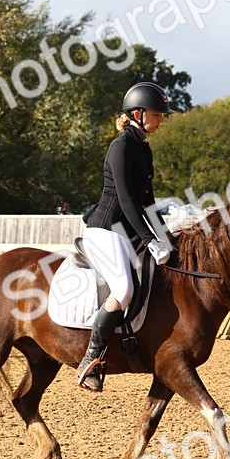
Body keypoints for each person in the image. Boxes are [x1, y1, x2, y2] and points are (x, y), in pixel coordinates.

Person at [76, 81, 171, 391]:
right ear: (138, 113)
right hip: (105, 230)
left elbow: (149, 204)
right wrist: (149, 239)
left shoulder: (143, 149)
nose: (161, 120)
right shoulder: (120, 146)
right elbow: (128, 201)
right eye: (157, 114)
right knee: (125, 289)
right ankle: (91, 360)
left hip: (126, 232)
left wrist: (167, 238)